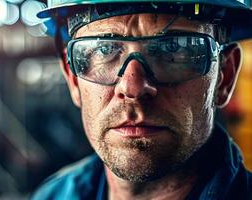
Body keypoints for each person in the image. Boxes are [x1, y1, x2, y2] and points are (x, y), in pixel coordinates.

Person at [31, 0, 252, 199]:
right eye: (104, 49)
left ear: (225, 76)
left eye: (173, 48)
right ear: (73, 80)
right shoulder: (54, 195)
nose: (133, 87)